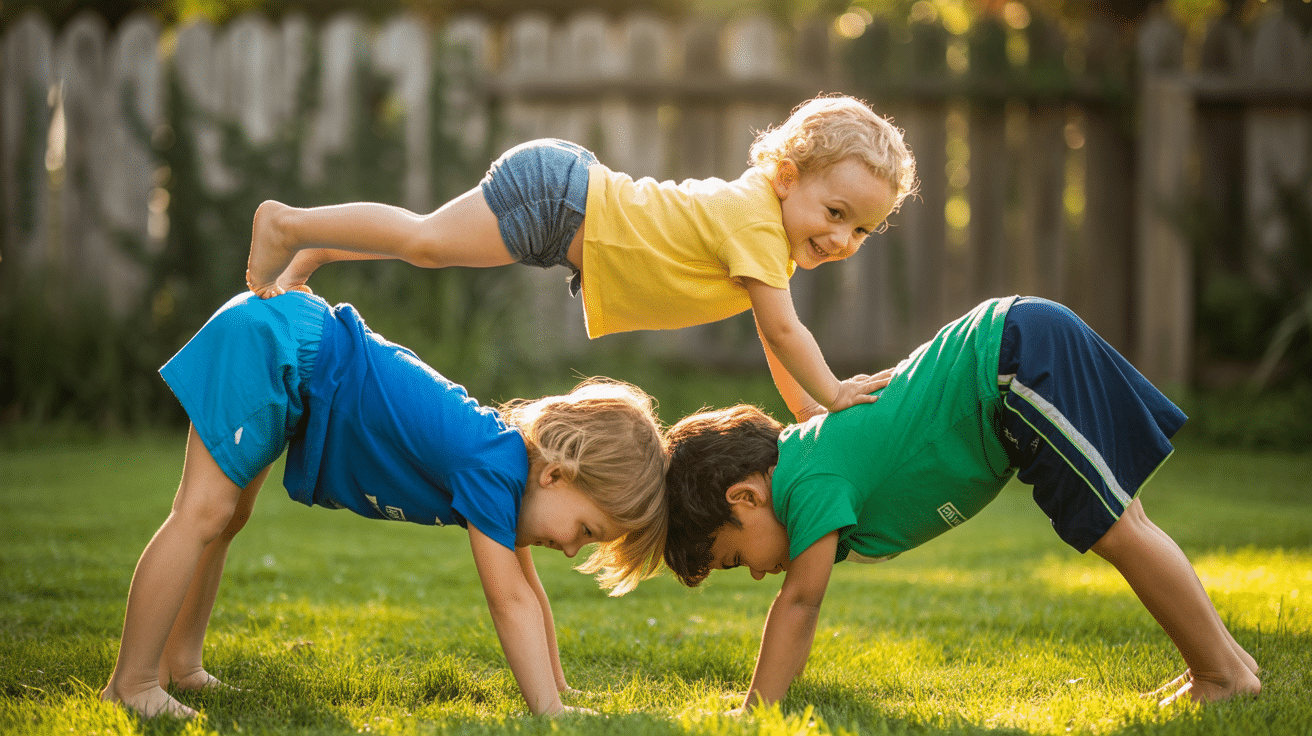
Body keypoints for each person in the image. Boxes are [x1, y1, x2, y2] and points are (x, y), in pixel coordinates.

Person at [661, 296, 1262, 712]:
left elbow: (800, 602)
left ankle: (1222, 675)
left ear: (745, 495)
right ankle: (1226, 664)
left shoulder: (805, 483)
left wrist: (757, 710)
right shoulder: (810, 455)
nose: (762, 571)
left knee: (1117, 530)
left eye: (737, 559)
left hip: (1012, 364)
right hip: (1017, 346)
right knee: (1125, 522)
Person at [99, 290, 667, 719]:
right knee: (202, 513)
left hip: (295, 344)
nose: (569, 550)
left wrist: (559, 688)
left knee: (225, 519)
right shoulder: (494, 468)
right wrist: (549, 713)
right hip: (281, 346)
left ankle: (181, 665)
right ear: (556, 474)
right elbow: (510, 600)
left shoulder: (505, 467)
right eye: (586, 530)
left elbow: (526, 587)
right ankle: (132, 683)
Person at [245, 94, 917, 422]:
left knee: (425, 247)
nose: (842, 241)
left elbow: (774, 344)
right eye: (836, 214)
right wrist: (832, 392)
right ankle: (287, 222)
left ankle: (319, 247)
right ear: (786, 176)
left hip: (563, 212)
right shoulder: (756, 224)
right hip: (560, 199)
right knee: (425, 241)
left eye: (863, 230)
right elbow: (783, 331)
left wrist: (805, 414)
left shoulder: (766, 244)